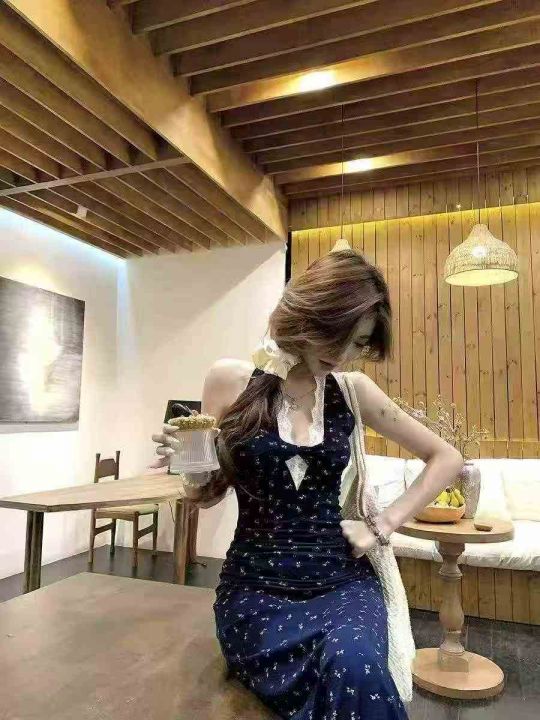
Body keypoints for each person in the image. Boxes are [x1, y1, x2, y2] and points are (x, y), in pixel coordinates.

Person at [153, 249, 463, 719]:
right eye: (337, 335)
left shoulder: (352, 391)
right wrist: (187, 462)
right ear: (308, 314)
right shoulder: (230, 379)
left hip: (341, 583)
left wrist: (382, 525)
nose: (343, 354)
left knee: (356, 665)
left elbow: (447, 457)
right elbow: (204, 494)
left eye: (358, 343)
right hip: (255, 591)